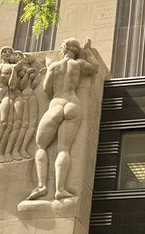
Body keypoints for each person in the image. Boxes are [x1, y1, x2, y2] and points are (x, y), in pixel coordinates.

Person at [27, 38, 98, 200]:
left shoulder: (54, 66)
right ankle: (60, 189)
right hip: (73, 104)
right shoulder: (78, 64)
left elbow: (46, 88)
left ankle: (42, 186)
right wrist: (87, 51)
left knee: (41, 146)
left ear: (64, 48)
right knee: (64, 149)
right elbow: (94, 68)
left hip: (56, 104)